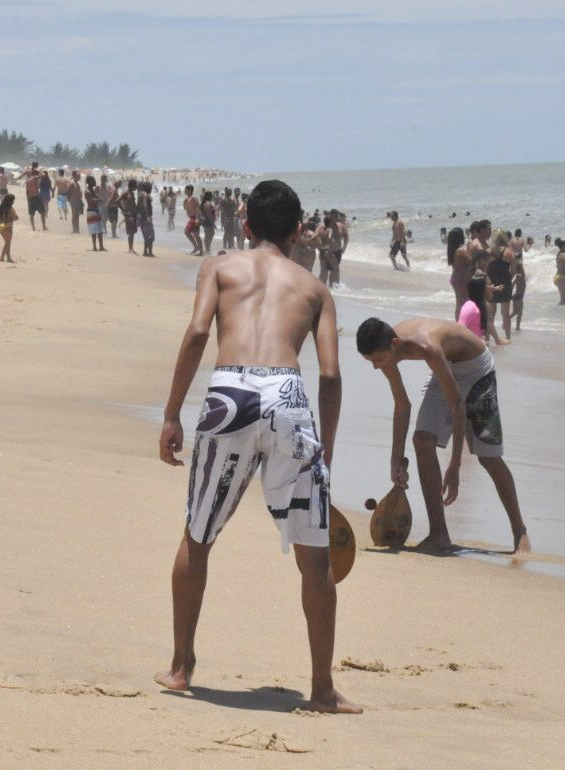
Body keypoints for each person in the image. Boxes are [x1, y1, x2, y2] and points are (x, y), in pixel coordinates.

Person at [155, 179, 358, 714]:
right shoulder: (315, 288)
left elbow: (199, 333)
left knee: (198, 535)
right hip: (288, 395)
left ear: (244, 226)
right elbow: (332, 375)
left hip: (230, 393)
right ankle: (321, 691)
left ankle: (180, 668)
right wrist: (325, 452)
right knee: (314, 559)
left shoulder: (220, 267)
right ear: (298, 231)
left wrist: (173, 412)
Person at [355, 316, 531, 554]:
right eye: (370, 362)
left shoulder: (427, 346)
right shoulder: (386, 348)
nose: (376, 366)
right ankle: (439, 535)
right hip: (445, 369)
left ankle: (520, 531)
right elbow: (402, 405)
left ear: (394, 344)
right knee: (422, 440)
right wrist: (395, 459)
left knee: (488, 458)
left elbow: (457, 405)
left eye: (378, 360)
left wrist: (455, 465)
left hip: (477, 370)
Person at [485, 229, 515, 342]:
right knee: (505, 313)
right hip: (505, 284)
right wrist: (507, 280)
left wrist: (489, 283)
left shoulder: (488, 251)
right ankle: (508, 337)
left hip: (492, 284)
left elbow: (485, 269)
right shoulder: (509, 252)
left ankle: (488, 337)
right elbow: (513, 271)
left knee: (491, 313)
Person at [446, 227, 472, 317]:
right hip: (460, 280)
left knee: (460, 302)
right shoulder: (460, 251)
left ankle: (459, 322)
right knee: (464, 301)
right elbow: (472, 261)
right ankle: (461, 323)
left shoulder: (453, 250)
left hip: (456, 278)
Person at [84, 175, 106, 251]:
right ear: (89, 182)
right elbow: (90, 200)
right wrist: (98, 199)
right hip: (91, 211)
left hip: (96, 210)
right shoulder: (87, 191)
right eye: (93, 181)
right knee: (93, 230)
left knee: (100, 230)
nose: (95, 182)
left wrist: (98, 197)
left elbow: (96, 198)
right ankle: (94, 247)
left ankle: (101, 246)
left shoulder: (93, 190)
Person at [24, 163, 46, 231]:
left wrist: (27, 199)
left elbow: (26, 191)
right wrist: (38, 170)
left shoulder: (28, 179)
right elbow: (43, 175)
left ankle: (34, 228)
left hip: (30, 198)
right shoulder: (35, 177)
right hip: (36, 197)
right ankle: (43, 226)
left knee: (32, 214)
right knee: (42, 212)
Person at [0, 194, 18, 263]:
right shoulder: (10, 208)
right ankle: (3, 258)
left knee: (7, 243)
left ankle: (6, 258)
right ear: (10, 201)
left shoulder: (1, 207)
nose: (14, 201)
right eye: (13, 200)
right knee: (7, 243)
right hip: (8, 227)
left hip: (1, 227)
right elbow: (16, 218)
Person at [138, 180, 156, 257]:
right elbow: (145, 205)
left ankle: (146, 252)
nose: (151, 189)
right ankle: (149, 252)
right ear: (147, 188)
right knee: (150, 235)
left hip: (142, 217)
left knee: (147, 236)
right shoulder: (145, 195)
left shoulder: (142, 194)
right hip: (146, 218)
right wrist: (148, 216)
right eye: (150, 188)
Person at [183, 185, 202, 254]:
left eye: (186, 190)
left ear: (190, 191)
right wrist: (184, 203)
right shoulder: (187, 199)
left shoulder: (194, 198)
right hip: (191, 217)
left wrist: (197, 218)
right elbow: (185, 208)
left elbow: (198, 208)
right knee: (196, 235)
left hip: (194, 218)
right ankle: (199, 249)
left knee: (187, 231)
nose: (184, 191)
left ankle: (197, 248)